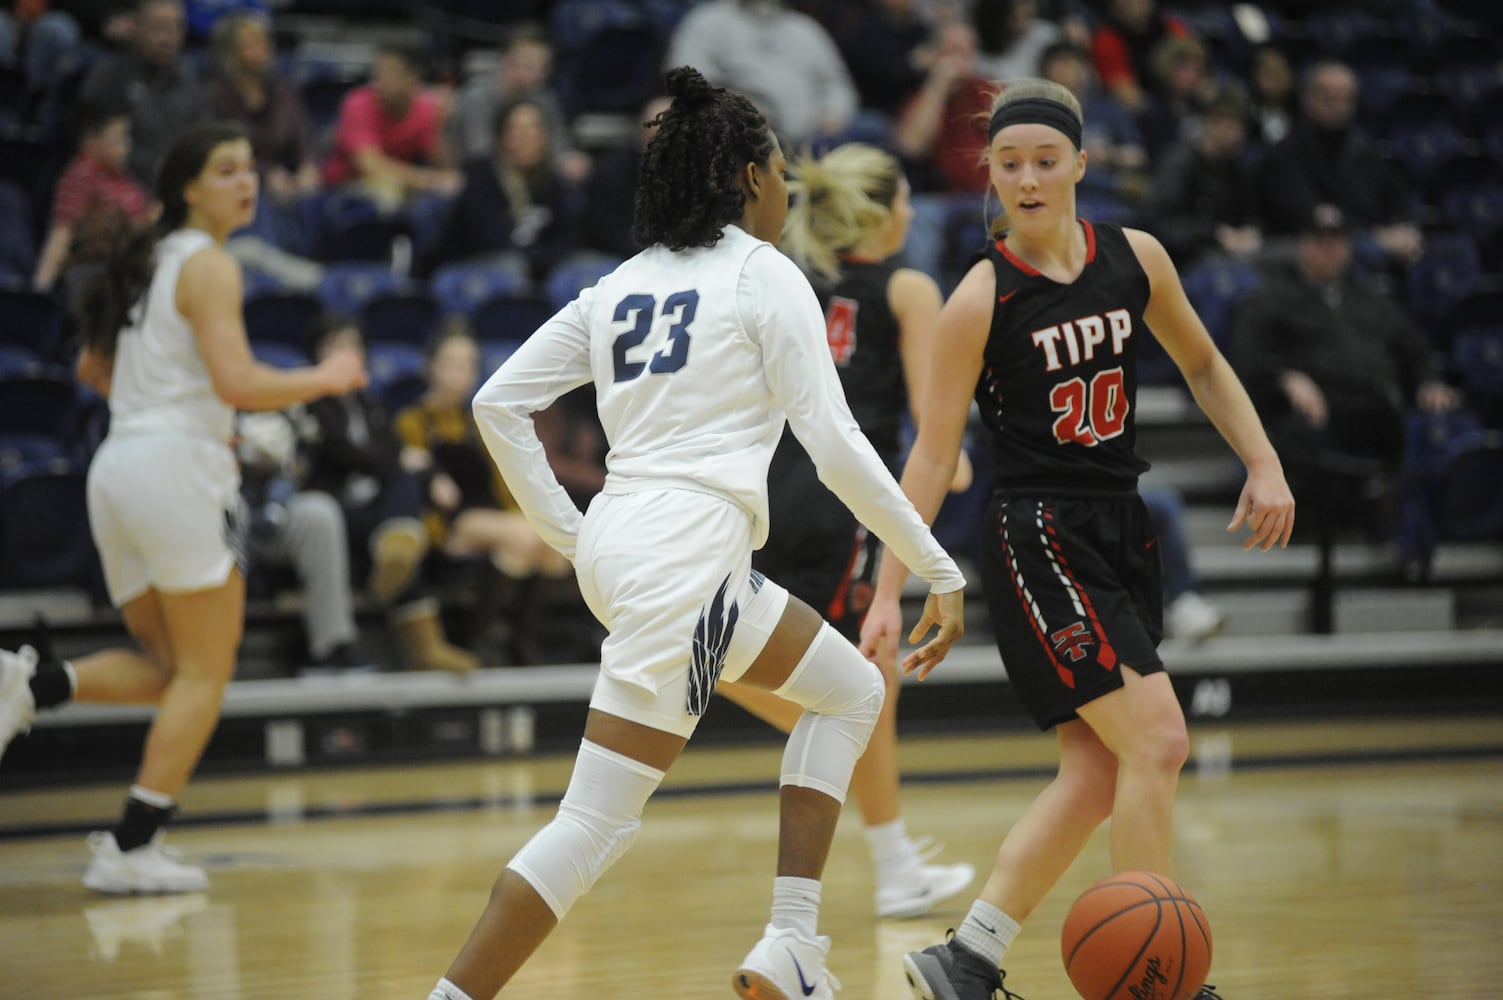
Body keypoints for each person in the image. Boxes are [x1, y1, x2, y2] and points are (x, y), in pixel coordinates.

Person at [425, 66, 966, 1000]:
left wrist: (570, 533)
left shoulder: (618, 285)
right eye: (780, 174)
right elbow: (835, 446)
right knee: (592, 824)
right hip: (687, 554)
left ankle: (792, 943)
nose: (790, 191)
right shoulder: (765, 275)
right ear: (752, 178)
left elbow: (495, 403)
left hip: (642, 546)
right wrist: (934, 565)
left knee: (845, 693)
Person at [860, 78, 1294, 1000]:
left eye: (1043, 161)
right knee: (1159, 742)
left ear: (1079, 167)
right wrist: (887, 584)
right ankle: (1160, 981)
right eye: (1007, 164)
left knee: (1099, 771)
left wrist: (1262, 461)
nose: (1025, 178)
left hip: (1118, 526)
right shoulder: (977, 298)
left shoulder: (1135, 258)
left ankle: (965, 958)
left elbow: (1205, 363)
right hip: (1035, 534)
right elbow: (931, 458)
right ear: (991, 176)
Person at [0, 121, 367, 893]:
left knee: (174, 669)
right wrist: (328, 376)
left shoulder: (146, 261)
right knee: (206, 671)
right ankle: (132, 849)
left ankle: (28, 688)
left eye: (249, 167)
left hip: (118, 468)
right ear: (186, 188)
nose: (246, 181)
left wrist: (182, 413)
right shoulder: (207, 263)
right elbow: (239, 384)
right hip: (173, 471)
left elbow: (91, 370)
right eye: (226, 169)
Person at [714, 141, 976, 920]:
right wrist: (950, 467)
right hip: (843, 505)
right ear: (884, 212)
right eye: (904, 202)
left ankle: (890, 855)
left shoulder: (783, 278)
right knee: (867, 692)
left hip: (762, 497)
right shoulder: (907, 287)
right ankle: (893, 864)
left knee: (739, 661)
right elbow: (939, 439)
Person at [1230, 203, 1459, 541]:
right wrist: (1284, 377)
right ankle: (1313, 526)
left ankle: (1408, 528)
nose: (1328, 249)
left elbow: (1414, 349)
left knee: (1432, 427)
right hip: (1314, 411)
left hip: (1376, 409)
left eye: (1336, 241)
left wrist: (1430, 381)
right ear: (1304, 245)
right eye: (1319, 241)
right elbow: (1247, 356)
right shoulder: (1272, 299)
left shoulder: (1373, 299)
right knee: (1295, 436)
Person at [300, 313, 480, 673]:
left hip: (373, 514)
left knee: (404, 505)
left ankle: (424, 640)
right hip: (336, 512)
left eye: (352, 345)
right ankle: (423, 644)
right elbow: (340, 453)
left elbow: (400, 454)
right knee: (401, 513)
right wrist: (399, 461)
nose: (345, 354)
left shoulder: (369, 404)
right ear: (317, 355)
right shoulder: (310, 401)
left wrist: (429, 474)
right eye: (335, 346)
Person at [394, 319, 570, 662]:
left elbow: (503, 483)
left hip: (488, 515)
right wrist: (439, 537)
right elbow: (408, 490)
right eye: (452, 365)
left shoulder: (479, 421)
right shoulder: (412, 420)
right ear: (431, 367)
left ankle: (520, 638)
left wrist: (524, 514)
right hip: (450, 523)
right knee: (525, 536)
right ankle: (479, 635)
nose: (461, 374)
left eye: (468, 366)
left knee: (551, 542)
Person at [664, 0, 858, 151]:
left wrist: (834, 115)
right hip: (739, 133)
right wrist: (734, 103)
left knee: (869, 130)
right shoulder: (708, 22)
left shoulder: (806, 29)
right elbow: (686, 77)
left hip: (812, 140)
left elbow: (837, 83)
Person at [79, 0, 209, 187]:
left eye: (176, 27)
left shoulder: (192, 78)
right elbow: (96, 145)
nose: (168, 38)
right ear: (137, 28)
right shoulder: (109, 77)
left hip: (184, 185)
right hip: (122, 187)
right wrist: (154, 167)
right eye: (159, 28)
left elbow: (203, 136)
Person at [33, 99, 156, 292]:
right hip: (102, 274)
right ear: (90, 142)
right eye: (117, 139)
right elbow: (61, 234)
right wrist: (40, 290)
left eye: (127, 137)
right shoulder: (80, 176)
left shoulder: (121, 174)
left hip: (138, 262)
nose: (126, 146)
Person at [322, 44, 460, 213]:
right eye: (377, 75)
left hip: (404, 184)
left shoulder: (425, 108)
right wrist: (429, 180)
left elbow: (445, 168)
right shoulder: (357, 103)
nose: (378, 83)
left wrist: (440, 124)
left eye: (389, 74)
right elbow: (372, 166)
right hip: (343, 188)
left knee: (454, 192)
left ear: (412, 79)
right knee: (389, 192)